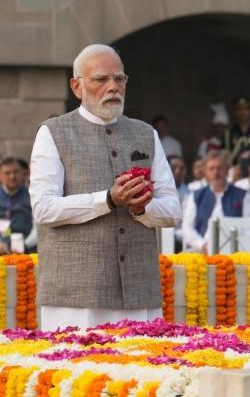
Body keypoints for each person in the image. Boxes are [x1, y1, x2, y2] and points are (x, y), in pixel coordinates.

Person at [30, 44, 182, 331]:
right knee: (78, 374)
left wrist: (141, 207)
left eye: (120, 79)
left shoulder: (145, 133)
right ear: (77, 87)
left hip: (138, 291)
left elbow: (173, 210)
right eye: (101, 80)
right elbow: (43, 209)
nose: (113, 87)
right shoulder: (53, 132)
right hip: (76, 296)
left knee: (145, 373)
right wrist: (108, 200)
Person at [182, 150, 247, 253]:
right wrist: (202, 244)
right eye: (211, 169)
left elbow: (248, 225)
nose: (216, 173)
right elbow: (187, 227)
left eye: (219, 168)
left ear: (227, 170)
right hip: (203, 250)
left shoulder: (242, 195)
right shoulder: (196, 196)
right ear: (205, 172)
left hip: (235, 250)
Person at [0, 158, 33, 253]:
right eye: (7, 173)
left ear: (22, 174)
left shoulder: (31, 195)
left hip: (26, 250)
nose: (12, 176)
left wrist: (25, 244)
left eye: (16, 172)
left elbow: (37, 226)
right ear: (0, 176)